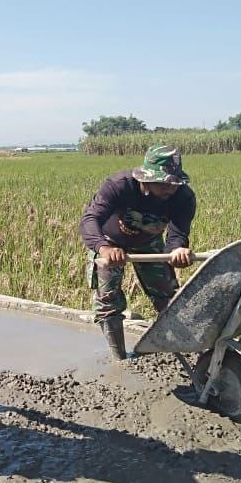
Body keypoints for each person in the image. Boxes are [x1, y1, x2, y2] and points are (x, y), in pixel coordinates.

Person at [80, 145, 196, 360]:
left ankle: (180, 350)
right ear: (146, 179)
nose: (169, 189)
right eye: (163, 183)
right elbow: (90, 220)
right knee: (108, 299)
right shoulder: (119, 186)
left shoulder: (183, 197)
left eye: (174, 184)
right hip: (109, 241)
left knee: (167, 295)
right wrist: (104, 248)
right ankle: (119, 357)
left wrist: (177, 250)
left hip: (149, 242)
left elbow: (177, 233)